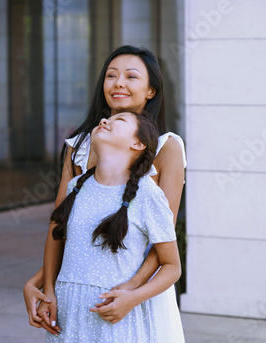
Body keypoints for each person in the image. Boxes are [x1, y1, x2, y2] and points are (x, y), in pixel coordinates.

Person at [23, 45, 186, 339]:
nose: (118, 83)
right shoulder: (80, 145)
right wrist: (44, 283)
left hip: (135, 295)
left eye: (131, 76)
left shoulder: (166, 146)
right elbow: (61, 227)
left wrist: (131, 290)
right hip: (79, 296)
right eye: (111, 75)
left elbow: (163, 238)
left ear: (151, 90)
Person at [40, 111, 181, 342]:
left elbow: (172, 266)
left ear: (138, 143)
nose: (105, 121)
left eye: (120, 120)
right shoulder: (76, 186)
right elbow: (59, 240)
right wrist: (48, 292)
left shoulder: (147, 195)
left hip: (115, 321)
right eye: (105, 120)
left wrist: (133, 298)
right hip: (67, 316)